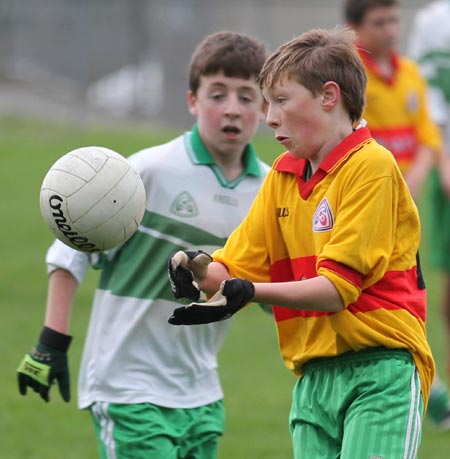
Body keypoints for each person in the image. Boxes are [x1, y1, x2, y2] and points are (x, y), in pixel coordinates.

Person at [167, 26, 435, 459]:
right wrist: (198, 267)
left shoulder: (371, 166)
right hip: (312, 381)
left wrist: (245, 292)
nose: (269, 117)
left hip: (381, 371)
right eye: (268, 103)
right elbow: (232, 270)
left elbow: (335, 291)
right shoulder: (283, 176)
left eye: (281, 101)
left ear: (329, 96)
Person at [17, 31, 270, 459]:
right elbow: (69, 253)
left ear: (265, 109)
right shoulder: (143, 173)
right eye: (217, 94)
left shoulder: (269, 190)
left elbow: (269, 289)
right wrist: (51, 342)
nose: (231, 108)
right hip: (127, 385)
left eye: (247, 97)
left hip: (201, 390)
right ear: (192, 101)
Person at [344, 0, 450, 430]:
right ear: (355, 28)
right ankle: (425, 388)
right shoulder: (350, 78)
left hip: (404, 208)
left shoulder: (408, 73)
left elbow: (427, 134)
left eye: (394, 20)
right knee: (375, 295)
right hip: (366, 206)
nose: (390, 29)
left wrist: (416, 176)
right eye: (379, 22)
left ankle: (428, 386)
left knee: (404, 291)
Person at [407, 0, 450, 429]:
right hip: (434, 177)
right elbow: (428, 110)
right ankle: (433, 387)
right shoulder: (432, 24)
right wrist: (441, 163)